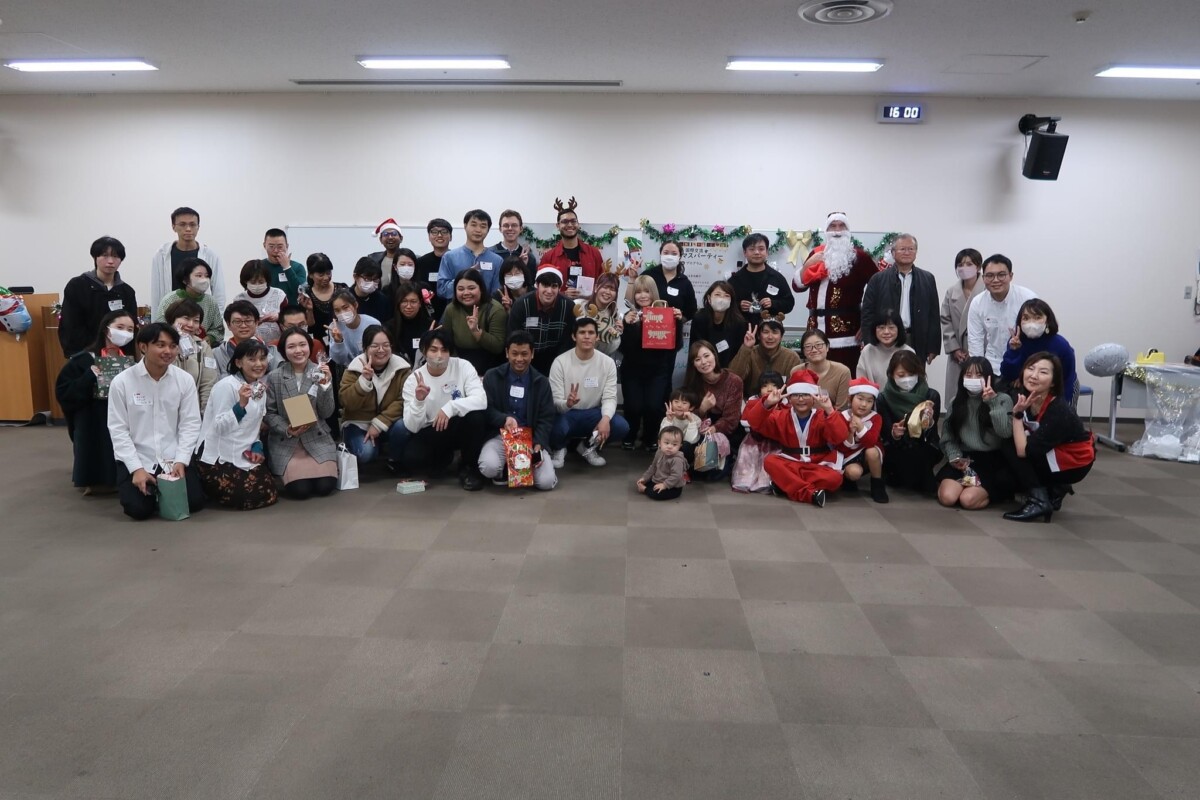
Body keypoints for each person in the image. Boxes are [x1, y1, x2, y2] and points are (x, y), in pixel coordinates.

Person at [106, 323, 206, 520]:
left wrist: (181, 460)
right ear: (143, 347)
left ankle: (162, 493)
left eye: (173, 346)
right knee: (138, 510)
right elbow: (118, 430)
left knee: (194, 502)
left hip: (172, 456)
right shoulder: (122, 382)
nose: (168, 351)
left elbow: (190, 423)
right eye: (160, 345)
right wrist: (136, 468)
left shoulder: (184, 380)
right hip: (139, 457)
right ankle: (153, 491)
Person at [1002, 353, 1095, 522]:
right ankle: (1055, 488)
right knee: (1005, 476)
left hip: (1074, 462)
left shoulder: (1059, 410)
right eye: (1030, 368)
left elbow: (1023, 451)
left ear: (1053, 382)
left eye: (1043, 372)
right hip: (1052, 451)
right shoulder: (1025, 397)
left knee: (1009, 444)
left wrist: (1017, 415)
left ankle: (1038, 501)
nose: (1034, 375)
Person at [55, 310, 137, 495]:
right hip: (93, 415)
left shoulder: (131, 360)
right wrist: (89, 376)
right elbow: (64, 391)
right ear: (106, 330)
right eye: (120, 327)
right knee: (96, 443)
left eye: (130, 329)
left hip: (124, 413)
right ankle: (93, 481)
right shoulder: (84, 359)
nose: (125, 333)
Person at [741, 369, 849, 506]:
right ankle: (809, 494)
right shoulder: (780, 416)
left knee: (835, 479)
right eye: (796, 395)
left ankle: (787, 485)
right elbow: (754, 422)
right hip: (791, 462)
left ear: (814, 397)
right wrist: (767, 403)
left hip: (818, 464)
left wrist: (830, 410)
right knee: (770, 462)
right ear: (790, 398)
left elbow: (839, 437)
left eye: (805, 395)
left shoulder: (822, 416)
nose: (801, 399)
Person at [196, 339, 279, 510]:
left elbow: (255, 426)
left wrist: (256, 447)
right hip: (217, 454)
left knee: (268, 493)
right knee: (245, 497)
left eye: (262, 359)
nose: (259, 364)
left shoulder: (259, 388)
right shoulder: (226, 386)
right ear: (239, 362)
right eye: (252, 359)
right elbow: (219, 426)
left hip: (244, 451)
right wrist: (240, 405)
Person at [401, 329, 488, 490]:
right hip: (432, 429)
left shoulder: (463, 366)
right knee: (413, 459)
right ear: (424, 351)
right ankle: (443, 457)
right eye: (433, 350)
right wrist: (419, 401)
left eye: (444, 350)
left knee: (476, 417)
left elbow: (481, 400)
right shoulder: (414, 380)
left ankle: (469, 467)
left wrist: (450, 408)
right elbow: (412, 426)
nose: (439, 355)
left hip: (458, 424)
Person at [793, 212, 879, 369]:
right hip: (815, 332)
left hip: (847, 335)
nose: (837, 231)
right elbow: (797, 286)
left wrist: (869, 323)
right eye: (833, 226)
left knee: (846, 375)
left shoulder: (860, 257)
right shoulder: (816, 254)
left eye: (841, 226)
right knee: (815, 376)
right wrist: (807, 265)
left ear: (848, 230)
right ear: (826, 231)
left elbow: (879, 289)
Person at [265, 327, 339, 500]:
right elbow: (269, 413)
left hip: (317, 438)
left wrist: (326, 385)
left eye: (302, 345)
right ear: (283, 350)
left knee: (325, 487)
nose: (298, 350)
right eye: (291, 347)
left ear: (310, 347)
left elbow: (327, 412)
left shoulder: (320, 372)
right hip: (287, 441)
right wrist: (287, 429)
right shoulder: (275, 376)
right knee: (300, 491)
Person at [478, 331, 558, 491]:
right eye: (514, 353)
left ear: (532, 354)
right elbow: (486, 409)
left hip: (531, 440)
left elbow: (546, 418)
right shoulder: (492, 376)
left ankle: (525, 468)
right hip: (500, 436)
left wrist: (539, 443)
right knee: (488, 467)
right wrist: (504, 419)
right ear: (507, 353)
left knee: (546, 482)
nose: (519, 359)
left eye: (524, 354)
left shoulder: (541, 382)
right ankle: (506, 469)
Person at [549, 317, 629, 468]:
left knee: (620, 426)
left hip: (593, 413)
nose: (587, 336)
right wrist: (567, 403)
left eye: (591, 333)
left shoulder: (607, 363)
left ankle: (587, 446)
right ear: (574, 336)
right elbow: (555, 401)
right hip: (567, 414)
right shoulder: (560, 362)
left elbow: (610, 397)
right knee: (553, 425)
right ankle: (559, 448)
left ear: (597, 337)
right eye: (582, 332)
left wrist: (605, 419)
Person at [936, 357, 1015, 511]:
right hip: (964, 457)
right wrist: (954, 456)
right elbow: (948, 436)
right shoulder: (956, 402)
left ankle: (992, 493)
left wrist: (992, 402)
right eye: (968, 375)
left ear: (988, 378)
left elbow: (1005, 432)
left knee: (968, 500)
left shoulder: (1003, 399)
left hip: (991, 460)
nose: (973, 379)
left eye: (979, 375)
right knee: (948, 497)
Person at [860, 234, 940, 365]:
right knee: (885, 373)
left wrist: (933, 346)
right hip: (886, 339)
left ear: (916, 252)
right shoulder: (878, 279)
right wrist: (869, 342)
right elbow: (867, 314)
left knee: (914, 375)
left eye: (911, 249)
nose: (907, 253)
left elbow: (933, 315)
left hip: (915, 338)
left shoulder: (927, 278)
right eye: (902, 249)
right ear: (893, 253)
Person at [619, 277, 679, 450]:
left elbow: (676, 345)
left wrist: (677, 322)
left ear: (654, 293)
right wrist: (629, 326)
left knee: (654, 407)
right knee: (633, 406)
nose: (643, 295)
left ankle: (650, 438)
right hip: (632, 370)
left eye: (647, 291)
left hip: (657, 370)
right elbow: (623, 348)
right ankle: (630, 435)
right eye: (638, 292)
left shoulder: (665, 313)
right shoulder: (628, 315)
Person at [340, 325, 412, 469]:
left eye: (386, 345)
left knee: (404, 425)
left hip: (388, 422)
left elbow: (403, 399)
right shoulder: (354, 369)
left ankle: (394, 459)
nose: (381, 350)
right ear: (365, 348)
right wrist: (363, 382)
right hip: (358, 423)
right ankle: (356, 445)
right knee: (366, 453)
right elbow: (347, 403)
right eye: (375, 346)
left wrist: (379, 423)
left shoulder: (402, 369)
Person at [59, 236, 138, 356]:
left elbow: (131, 326)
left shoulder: (127, 291)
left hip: (118, 355)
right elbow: (70, 324)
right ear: (95, 257)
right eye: (105, 255)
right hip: (84, 353)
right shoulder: (77, 285)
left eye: (115, 256)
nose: (110, 261)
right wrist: (83, 354)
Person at [877, 350, 942, 494]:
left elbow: (932, 435)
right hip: (896, 447)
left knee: (921, 454)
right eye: (901, 375)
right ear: (891, 375)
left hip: (923, 444)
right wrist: (894, 433)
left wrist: (928, 422)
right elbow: (885, 434)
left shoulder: (931, 395)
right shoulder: (883, 398)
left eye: (911, 374)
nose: (907, 379)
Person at [683, 340, 746, 477]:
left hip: (725, 432)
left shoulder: (734, 380)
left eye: (707, 356)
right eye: (697, 359)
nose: (704, 362)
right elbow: (687, 415)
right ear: (693, 364)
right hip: (700, 428)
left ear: (714, 355)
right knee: (685, 449)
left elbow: (731, 419)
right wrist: (702, 409)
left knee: (713, 473)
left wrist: (714, 429)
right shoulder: (693, 383)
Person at [967, 254, 1038, 375]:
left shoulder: (1028, 299)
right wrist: (978, 373)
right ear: (983, 278)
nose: (995, 280)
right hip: (992, 365)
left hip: (1023, 364)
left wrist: (1027, 370)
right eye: (990, 276)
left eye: (1001, 275)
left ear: (1011, 276)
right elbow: (975, 341)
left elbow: (1038, 338)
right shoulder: (977, 303)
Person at [1001, 299, 1077, 404]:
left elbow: (1067, 377)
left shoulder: (1060, 344)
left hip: (1060, 388)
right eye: (1026, 318)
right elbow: (1008, 375)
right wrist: (1014, 351)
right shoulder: (1016, 341)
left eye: (1037, 318)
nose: (1031, 323)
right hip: (1027, 391)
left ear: (1047, 321)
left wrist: (1061, 404)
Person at [150, 206, 225, 310]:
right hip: (170, 314)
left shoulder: (210, 255)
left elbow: (219, 294)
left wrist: (217, 317)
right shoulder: (161, 255)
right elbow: (155, 294)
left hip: (201, 314)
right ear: (173, 227)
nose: (188, 229)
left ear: (198, 227)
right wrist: (157, 319)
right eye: (182, 224)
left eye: (192, 224)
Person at [507, 266, 575, 376]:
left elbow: (568, 341)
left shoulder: (568, 306)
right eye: (545, 285)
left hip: (557, 359)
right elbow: (513, 337)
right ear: (537, 285)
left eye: (554, 286)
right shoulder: (521, 305)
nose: (549, 291)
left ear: (559, 288)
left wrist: (559, 365)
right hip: (527, 358)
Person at [940, 248, 986, 402]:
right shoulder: (951, 292)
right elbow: (945, 320)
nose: (964, 268)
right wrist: (954, 348)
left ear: (978, 266)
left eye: (969, 264)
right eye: (960, 264)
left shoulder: (987, 289)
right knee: (956, 397)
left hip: (982, 350)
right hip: (958, 353)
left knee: (981, 394)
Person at [439, 268, 506, 375]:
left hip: (490, 368)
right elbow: (447, 342)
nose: (466, 293)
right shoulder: (451, 309)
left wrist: (476, 331)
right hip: (458, 367)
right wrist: (459, 368)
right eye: (460, 289)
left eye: (471, 288)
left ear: (481, 289)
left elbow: (498, 347)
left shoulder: (495, 309)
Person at [539, 197, 606, 298]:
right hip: (560, 306)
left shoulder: (594, 253)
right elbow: (542, 290)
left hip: (589, 306)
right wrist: (563, 294)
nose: (570, 225)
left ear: (578, 224)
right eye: (565, 221)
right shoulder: (548, 258)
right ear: (557, 226)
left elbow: (602, 283)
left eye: (573, 221)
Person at [835, 378, 888, 503]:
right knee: (854, 473)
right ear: (850, 399)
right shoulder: (841, 417)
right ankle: (848, 478)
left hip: (867, 455)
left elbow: (871, 442)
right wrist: (850, 433)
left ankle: (877, 485)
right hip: (848, 455)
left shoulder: (876, 418)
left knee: (872, 451)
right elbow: (840, 447)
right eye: (860, 399)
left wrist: (861, 427)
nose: (864, 404)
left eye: (869, 401)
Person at [731, 372, 784, 494]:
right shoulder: (753, 401)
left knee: (769, 460)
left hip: (774, 441)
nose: (769, 389)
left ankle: (764, 484)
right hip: (753, 439)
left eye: (774, 385)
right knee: (748, 457)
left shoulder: (784, 404)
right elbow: (745, 420)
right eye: (765, 386)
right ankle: (744, 481)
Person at [163, 298, 218, 415]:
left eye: (196, 321)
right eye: (186, 318)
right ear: (172, 319)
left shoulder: (202, 346)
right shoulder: (160, 344)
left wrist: (205, 414)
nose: (191, 324)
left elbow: (208, 382)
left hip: (192, 412)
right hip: (164, 409)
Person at [153, 257, 224, 346]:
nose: (204, 280)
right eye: (199, 275)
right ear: (185, 279)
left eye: (207, 276)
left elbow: (218, 329)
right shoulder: (169, 300)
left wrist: (210, 338)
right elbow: (160, 327)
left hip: (202, 347)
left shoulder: (211, 301)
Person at [437, 209, 504, 301]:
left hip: (487, 309)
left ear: (488, 230)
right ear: (465, 226)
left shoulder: (497, 260)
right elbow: (441, 290)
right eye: (473, 225)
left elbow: (497, 293)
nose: (478, 230)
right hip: (457, 309)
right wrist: (464, 277)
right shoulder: (450, 257)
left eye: (483, 226)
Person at [729, 317, 801, 399]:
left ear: (781, 336)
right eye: (766, 332)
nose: (770, 337)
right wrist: (746, 348)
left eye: (775, 332)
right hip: (750, 402)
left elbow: (796, 389)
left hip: (781, 402)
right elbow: (732, 379)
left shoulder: (791, 357)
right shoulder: (750, 352)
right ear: (759, 335)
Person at [728, 232, 795, 319]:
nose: (756, 252)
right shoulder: (735, 280)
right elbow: (725, 304)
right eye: (752, 249)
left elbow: (789, 303)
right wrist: (738, 306)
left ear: (767, 252)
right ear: (745, 253)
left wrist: (773, 304)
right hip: (742, 326)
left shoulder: (777, 278)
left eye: (761, 249)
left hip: (769, 326)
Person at [628, 239, 698, 322]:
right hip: (647, 326)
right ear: (660, 254)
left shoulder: (684, 282)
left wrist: (680, 317)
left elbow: (691, 311)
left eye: (674, 254)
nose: (669, 256)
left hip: (672, 328)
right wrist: (632, 279)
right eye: (666, 253)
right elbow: (631, 301)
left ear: (680, 257)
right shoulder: (649, 274)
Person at [689, 281, 748, 369]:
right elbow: (695, 348)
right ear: (709, 298)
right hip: (704, 367)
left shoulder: (738, 322)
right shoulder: (700, 318)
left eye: (726, 296)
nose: (721, 299)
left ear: (731, 301)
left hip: (730, 369)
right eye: (717, 295)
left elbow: (737, 353)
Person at [214, 300, 282, 374]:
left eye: (248, 321)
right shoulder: (218, 354)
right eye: (237, 322)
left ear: (256, 323)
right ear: (228, 325)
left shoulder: (272, 352)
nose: (243, 326)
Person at [231, 259, 287, 345]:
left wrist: (279, 317)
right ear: (245, 281)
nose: (257, 285)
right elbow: (236, 323)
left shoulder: (279, 295)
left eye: (261, 281)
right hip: (248, 345)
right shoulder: (239, 299)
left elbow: (288, 318)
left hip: (277, 343)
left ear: (267, 280)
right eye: (253, 282)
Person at [297, 253, 347, 343]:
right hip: (318, 342)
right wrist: (309, 310)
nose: (326, 278)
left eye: (328, 273)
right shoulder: (306, 296)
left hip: (342, 338)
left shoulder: (342, 289)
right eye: (321, 275)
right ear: (310, 274)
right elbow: (309, 325)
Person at [855, 308, 915, 384]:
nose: (886, 332)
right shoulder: (867, 351)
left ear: (899, 329)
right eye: (881, 328)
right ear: (874, 330)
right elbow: (861, 382)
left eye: (891, 327)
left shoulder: (909, 352)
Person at [796, 329, 851, 409]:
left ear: (827, 347)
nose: (814, 350)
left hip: (832, 416)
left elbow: (842, 409)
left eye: (819, 345)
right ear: (803, 351)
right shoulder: (796, 371)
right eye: (808, 347)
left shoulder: (842, 372)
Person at [385, 280, 434, 366]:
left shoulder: (431, 325)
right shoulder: (388, 328)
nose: (408, 306)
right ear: (398, 303)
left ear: (420, 303)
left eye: (413, 301)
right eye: (404, 301)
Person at [328, 289, 381, 367]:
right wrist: (338, 342)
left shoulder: (373, 324)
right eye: (337, 310)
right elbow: (339, 360)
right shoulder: (334, 328)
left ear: (355, 305)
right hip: (348, 369)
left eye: (345, 307)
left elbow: (379, 352)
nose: (342, 313)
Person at [636, 426, 689, 501]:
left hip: (673, 486)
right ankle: (647, 488)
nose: (670, 447)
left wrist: (664, 485)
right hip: (658, 480)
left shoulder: (677, 460)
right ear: (659, 443)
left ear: (680, 446)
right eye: (666, 443)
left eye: (674, 444)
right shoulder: (659, 452)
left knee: (656, 494)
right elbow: (653, 467)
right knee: (643, 483)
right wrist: (645, 478)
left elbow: (676, 476)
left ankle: (645, 490)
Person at [579, 272, 624, 356]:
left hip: (600, 358)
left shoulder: (615, 315)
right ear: (596, 288)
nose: (608, 292)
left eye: (612, 289)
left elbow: (611, 349)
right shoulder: (580, 306)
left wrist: (616, 335)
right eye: (605, 287)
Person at [259, 228, 307, 307]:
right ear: (264, 246)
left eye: (280, 247)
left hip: (291, 312)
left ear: (287, 246)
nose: (275, 250)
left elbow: (300, 292)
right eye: (271, 246)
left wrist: (287, 268)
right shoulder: (259, 267)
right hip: (265, 311)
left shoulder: (297, 267)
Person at [415, 218, 453, 317]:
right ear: (429, 237)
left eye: (444, 232)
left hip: (452, 311)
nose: (439, 235)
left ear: (451, 237)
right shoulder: (421, 262)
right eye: (434, 232)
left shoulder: (456, 260)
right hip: (426, 313)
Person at [661, 388, 702, 465]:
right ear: (671, 403)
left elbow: (691, 441)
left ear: (691, 407)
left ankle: (684, 468)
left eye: (684, 403)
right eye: (676, 402)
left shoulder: (696, 420)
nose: (679, 405)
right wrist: (669, 421)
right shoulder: (668, 418)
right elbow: (662, 437)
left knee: (686, 445)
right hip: (670, 449)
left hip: (686, 453)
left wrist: (691, 422)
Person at [493, 209, 538, 279]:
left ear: (521, 229)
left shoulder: (529, 257)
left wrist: (523, 267)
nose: (510, 228)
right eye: (506, 225)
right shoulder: (491, 253)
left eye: (514, 225)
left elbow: (531, 283)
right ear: (500, 229)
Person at [350, 257, 393, 323]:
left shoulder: (383, 301)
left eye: (375, 279)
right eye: (367, 279)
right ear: (355, 277)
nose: (371, 283)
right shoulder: (345, 299)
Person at [367, 218, 405, 290]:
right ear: (380, 240)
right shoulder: (373, 259)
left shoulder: (411, 259)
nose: (390, 237)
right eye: (385, 234)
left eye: (394, 234)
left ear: (401, 238)